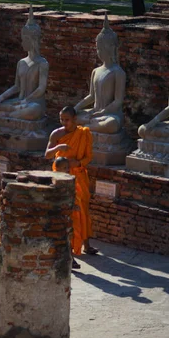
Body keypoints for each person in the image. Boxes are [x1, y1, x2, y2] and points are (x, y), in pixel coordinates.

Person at [46, 106, 97, 257]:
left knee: (83, 210)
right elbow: (47, 155)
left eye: (67, 120)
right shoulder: (56, 133)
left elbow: (89, 157)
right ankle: (68, 248)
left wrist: (79, 164)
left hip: (79, 175)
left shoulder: (84, 133)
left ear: (75, 119)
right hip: (62, 176)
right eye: (61, 119)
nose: (64, 123)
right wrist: (59, 147)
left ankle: (86, 244)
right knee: (69, 212)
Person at [53, 156, 82, 269]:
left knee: (68, 237)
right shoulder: (55, 179)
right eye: (64, 167)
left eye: (67, 167)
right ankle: (68, 260)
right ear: (57, 168)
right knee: (62, 237)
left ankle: (70, 259)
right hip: (60, 212)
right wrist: (71, 205)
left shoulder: (69, 178)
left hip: (69, 213)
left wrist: (75, 204)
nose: (67, 169)